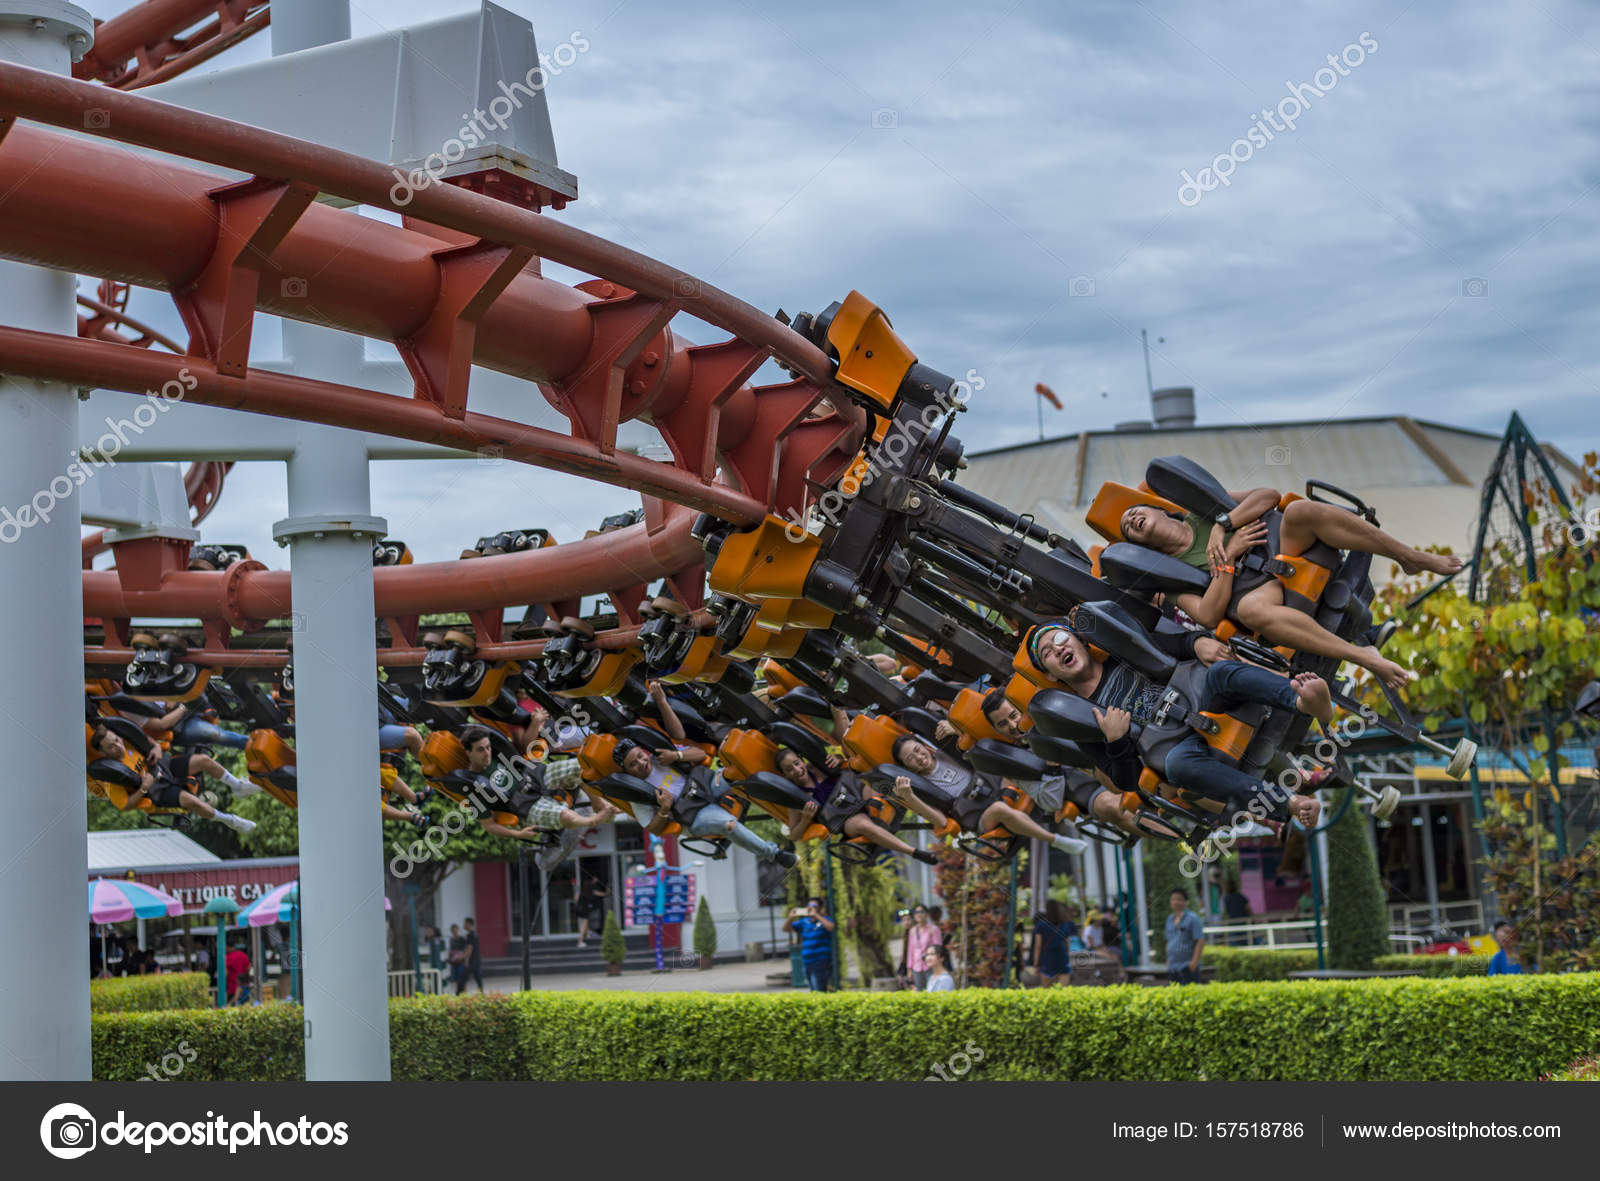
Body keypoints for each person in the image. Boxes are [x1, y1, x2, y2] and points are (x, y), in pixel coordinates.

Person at [1117, 487, 1457, 691]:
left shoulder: (1200, 510)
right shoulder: (1168, 575)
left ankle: (1408, 557)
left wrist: (1224, 527)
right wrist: (1229, 557)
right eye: (1128, 529)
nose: (1131, 519)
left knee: (1298, 509)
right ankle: (1363, 656)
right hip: (1257, 591)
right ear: (1140, 545)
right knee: (1252, 611)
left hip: (1282, 549)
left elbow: (1268, 496)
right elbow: (1207, 613)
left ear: (1158, 508)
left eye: (1134, 512)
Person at [1024, 621, 1326, 828]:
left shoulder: (1121, 650)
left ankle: (1302, 699)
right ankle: (1288, 802)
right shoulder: (1079, 716)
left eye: (1061, 639)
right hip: (1171, 742)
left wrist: (1198, 642)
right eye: (1046, 654)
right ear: (1050, 675)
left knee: (1220, 672)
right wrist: (1116, 742)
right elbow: (1126, 781)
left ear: (1081, 641)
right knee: (1178, 766)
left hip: (1195, 695)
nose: (1057, 649)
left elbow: (1174, 644)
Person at [887, 734, 1089, 856]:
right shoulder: (919, 787)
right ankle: (1056, 840)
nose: (919, 758)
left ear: (924, 745)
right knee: (999, 809)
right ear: (907, 767)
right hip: (978, 815)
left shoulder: (946, 751)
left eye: (918, 750)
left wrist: (952, 729)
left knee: (1012, 765)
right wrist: (910, 798)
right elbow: (940, 821)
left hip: (996, 787)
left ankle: (1066, 807)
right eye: (910, 759)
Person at [616, 737, 797, 867]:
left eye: (640, 756)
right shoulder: (637, 792)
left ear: (643, 751)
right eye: (633, 764)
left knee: (737, 772)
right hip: (692, 814)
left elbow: (700, 754)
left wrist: (676, 756)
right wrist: (664, 809)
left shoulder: (659, 756)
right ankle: (774, 854)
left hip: (703, 785)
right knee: (729, 825)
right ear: (626, 771)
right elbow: (652, 828)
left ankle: (788, 787)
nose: (641, 763)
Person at [776, 745, 939, 864]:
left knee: (883, 784)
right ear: (784, 775)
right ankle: (915, 853)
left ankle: (931, 809)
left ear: (801, 759)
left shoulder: (818, 765)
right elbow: (794, 835)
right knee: (865, 826)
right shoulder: (796, 797)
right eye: (789, 769)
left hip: (857, 791)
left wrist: (838, 759)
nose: (797, 770)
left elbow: (846, 760)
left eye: (797, 763)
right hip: (845, 816)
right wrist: (805, 819)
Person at [89, 722, 259, 833]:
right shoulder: (109, 775)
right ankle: (230, 821)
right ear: (103, 752)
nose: (118, 747)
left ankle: (238, 786)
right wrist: (143, 788)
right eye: (111, 747)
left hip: (163, 766)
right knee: (190, 801)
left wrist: (155, 747)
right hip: (154, 790)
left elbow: (149, 741)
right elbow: (124, 805)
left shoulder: (127, 741)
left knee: (204, 760)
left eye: (117, 740)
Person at [784, 898, 836, 991]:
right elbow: (786, 929)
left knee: (819, 989)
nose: (810, 908)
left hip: (821, 961)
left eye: (814, 906)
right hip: (807, 961)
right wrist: (790, 917)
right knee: (812, 988)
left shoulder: (824, 920)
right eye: (809, 905)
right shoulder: (804, 922)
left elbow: (831, 927)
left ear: (820, 908)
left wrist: (816, 915)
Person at [1165, 888, 1206, 984]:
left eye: (1179, 899)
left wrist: (1194, 962)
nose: (1176, 902)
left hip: (1187, 967)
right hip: (1173, 968)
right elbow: (1168, 941)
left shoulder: (1193, 918)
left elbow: (1200, 940)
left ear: (1185, 901)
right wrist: (1168, 961)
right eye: (1173, 899)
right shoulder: (1169, 919)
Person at [1031, 899, 1074, 986]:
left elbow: (1038, 946)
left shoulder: (1041, 925)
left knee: (1047, 992)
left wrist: (1036, 964)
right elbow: (1068, 944)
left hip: (1047, 958)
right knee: (1063, 991)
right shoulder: (1065, 924)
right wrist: (1068, 958)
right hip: (1062, 957)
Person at [903, 904, 944, 990]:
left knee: (933, 990)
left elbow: (938, 949)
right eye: (916, 912)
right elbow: (910, 951)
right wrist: (909, 969)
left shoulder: (934, 929)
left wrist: (937, 966)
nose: (919, 914)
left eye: (922, 912)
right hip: (916, 966)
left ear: (927, 914)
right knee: (919, 991)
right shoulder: (912, 931)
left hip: (930, 966)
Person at [576, 874, 609, 949]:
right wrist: (607, 890)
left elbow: (575, 899)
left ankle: (588, 934)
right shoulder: (592, 891)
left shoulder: (582, 892)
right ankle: (580, 942)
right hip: (585, 910)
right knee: (583, 926)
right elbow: (605, 894)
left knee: (585, 924)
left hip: (579, 910)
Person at [455, 917, 484, 994]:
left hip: (471, 961)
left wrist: (465, 959)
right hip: (476, 960)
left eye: (465, 923)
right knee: (478, 979)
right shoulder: (475, 934)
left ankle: (457, 995)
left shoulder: (470, 935)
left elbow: (470, 947)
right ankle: (481, 994)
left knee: (462, 979)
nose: (464, 925)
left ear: (468, 924)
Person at [446, 923, 467, 990]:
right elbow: (451, 950)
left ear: (458, 930)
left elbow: (465, 950)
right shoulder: (451, 940)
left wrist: (463, 958)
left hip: (461, 961)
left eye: (456, 930)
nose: (455, 932)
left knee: (462, 979)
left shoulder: (462, 939)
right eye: (453, 931)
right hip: (454, 962)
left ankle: (465, 992)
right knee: (456, 979)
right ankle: (458, 991)